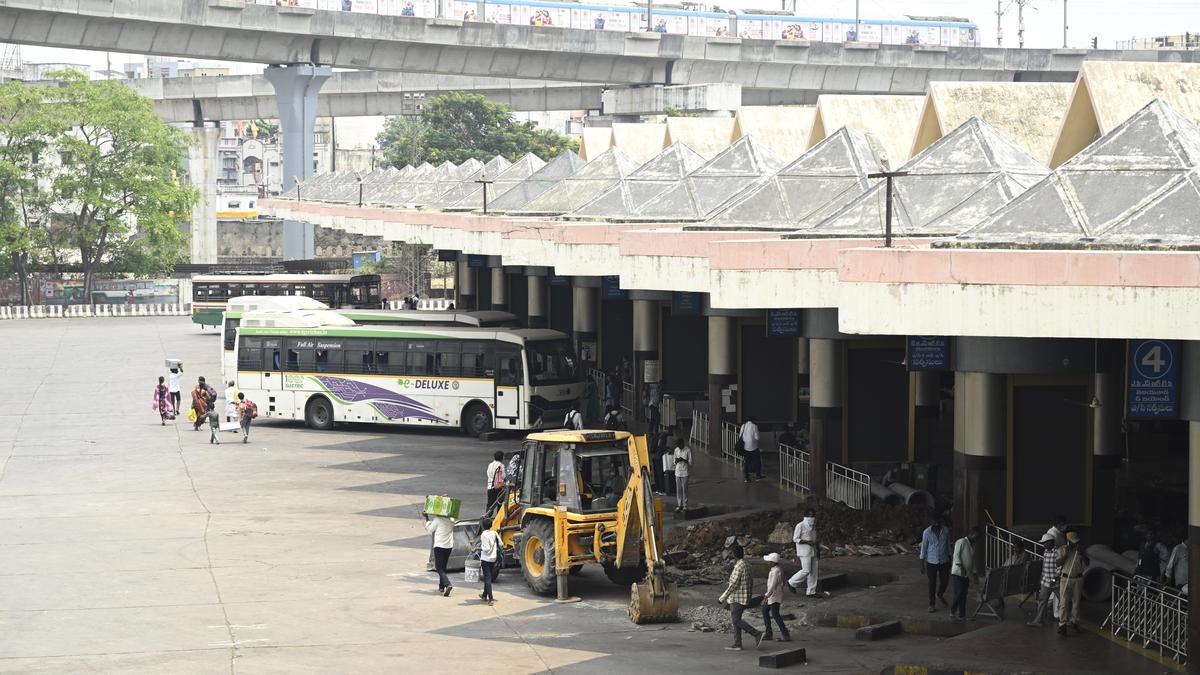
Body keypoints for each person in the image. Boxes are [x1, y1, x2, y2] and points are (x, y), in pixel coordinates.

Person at [718, 544, 763, 651]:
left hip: (737, 598)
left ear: (734, 555)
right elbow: (750, 582)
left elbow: (733, 585)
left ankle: (757, 634)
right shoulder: (747, 564)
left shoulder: (739, 566)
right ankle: (738, 644)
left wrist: (722, 598)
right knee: (736, 620)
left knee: (736, 620)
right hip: (744, 597)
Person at [1057, 530, 1089, 635]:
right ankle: (1062, 624)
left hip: (1078, 578)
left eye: (1076, 542)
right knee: (1064, 602)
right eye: (1073, 542)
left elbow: (1087, 563)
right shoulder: (1062, 549)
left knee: (1076, 602)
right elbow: (1058, 563)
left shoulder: (1080, 551)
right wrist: (1066, 554)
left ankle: (1075, 622)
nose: (1075, 544)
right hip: (1065, 578)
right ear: (1068, 541)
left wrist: (1082, 554)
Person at [1027, 533, 1062, 627]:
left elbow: (1060, 567)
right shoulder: (1045, 552)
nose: (1044, 545)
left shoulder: (1058, 552)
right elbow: (1044, 566)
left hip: (1056, 582)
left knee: (1063, 600)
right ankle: (1038, 621)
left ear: (1051, 542)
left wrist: (1054, 579)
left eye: (1045, 543)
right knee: (1042, 600)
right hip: (1046, 581)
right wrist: (1042, 578)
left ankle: (1067, 620)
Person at [919, 517, 952, 612]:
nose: (937, 525)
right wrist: (922, 564)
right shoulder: (926, 532)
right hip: (931, 562)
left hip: (944, 560)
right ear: (931, 522)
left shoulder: (945, 530)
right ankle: (931, 604)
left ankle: (940, 594)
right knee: (932, 583)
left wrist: (951, 559)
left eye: (939, 523)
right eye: (935, 523)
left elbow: (948, 545)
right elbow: (924, 548)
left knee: (945, 580)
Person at [949, 526, 980, 621]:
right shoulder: (961, 541)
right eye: (976, 536)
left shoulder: (971, 545)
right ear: (971, 534)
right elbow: (956, 555)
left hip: (966, 574)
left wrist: (974, 573)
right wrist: (961, 567)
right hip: (958, 572)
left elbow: (972, 561)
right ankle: (952, 611)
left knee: (964, 594)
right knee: (958, 593)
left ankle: (962, 614)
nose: (977, 539)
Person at [787, 508, 820, 597]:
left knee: (814, 572)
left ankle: (811, 592)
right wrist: (807, 542)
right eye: (810, 515)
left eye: (813, 515)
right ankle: (791, 582)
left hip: (813, 551)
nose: (812, 517)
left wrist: (818, 550)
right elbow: (795, 539)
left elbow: (815, 540)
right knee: (806, 570)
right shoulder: (800, 525)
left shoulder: (813, 526)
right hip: (804, 552)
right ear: (805, 516)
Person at [424, 510, 456, 597]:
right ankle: (441, 587)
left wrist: (426, 518)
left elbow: (430, 529)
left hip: (439, 546)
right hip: (448, 546)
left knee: (439, 568)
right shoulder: (451, 520)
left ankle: (447, 584)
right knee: (443, 566)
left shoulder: (438, 520)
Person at [761, 552, 791, 642]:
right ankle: (769, 633)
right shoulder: (778, 569)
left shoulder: (775, 571)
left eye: (769, 561)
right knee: (766, 611)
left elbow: (772, 586)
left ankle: (784, 634)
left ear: (773, 562)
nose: (768, 563)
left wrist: (766, 597)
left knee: (775, 614)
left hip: (774, 596)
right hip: (774, 595)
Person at [477, 521, 501, 606]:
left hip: (485, 559)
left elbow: (486, 549)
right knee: (489, 577)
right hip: (493, 558)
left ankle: (490, 598)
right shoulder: (494, 533)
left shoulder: (483, 535)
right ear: (491, 525)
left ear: (483, 526)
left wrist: (477, 548)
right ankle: (484, 595)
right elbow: (501, 544)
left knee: (487, 578)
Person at [672, 437, 692, 512]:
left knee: (685, 489)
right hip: (677, 472)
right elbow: (674, 461)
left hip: (685, 472)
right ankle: (679, 505)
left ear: (682, 444)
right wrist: (676, 461)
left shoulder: (687, 450)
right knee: (678, 489)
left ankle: (685, 505)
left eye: (679, 445)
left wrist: (683, 460)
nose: (679, 447)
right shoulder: (676, 450)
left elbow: (690, 462)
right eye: (677, 445)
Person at [739, 416, 761, 482]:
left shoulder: (743, 425)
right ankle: (758, 476)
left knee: (747, 462)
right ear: (753, 420)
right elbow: (757, 437)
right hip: (753, 447)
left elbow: (740, 436)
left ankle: (746, 478)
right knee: (757, 461)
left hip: (745, 447)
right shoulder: (754, 426)